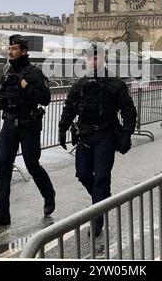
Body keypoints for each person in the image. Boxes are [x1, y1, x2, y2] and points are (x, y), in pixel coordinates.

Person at [58, 42, 137, 237]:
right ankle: (102, 199)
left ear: (103, 58)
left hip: (106, 135)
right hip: (85, 135)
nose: (92, 61)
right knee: (83, 174)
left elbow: (128, 110)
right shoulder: (81, 85)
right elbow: (69, 107)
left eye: (96, 57)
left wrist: (126, 133)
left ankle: (97, 219)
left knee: (101, 177)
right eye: (89, 58)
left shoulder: (114, 84)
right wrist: (62, 128)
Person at [0, 34, 55, 227]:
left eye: (14, 49)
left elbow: (45, 98)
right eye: (10, 48)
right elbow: (1, 95)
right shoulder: (7, 71)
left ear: (24, 51)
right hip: (9, 123)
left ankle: (49, 194)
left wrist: (25, 86)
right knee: (2, 165)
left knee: (32, 165)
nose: (11, 51)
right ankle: (1, 213)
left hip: (28, 124)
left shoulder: (34, 73)